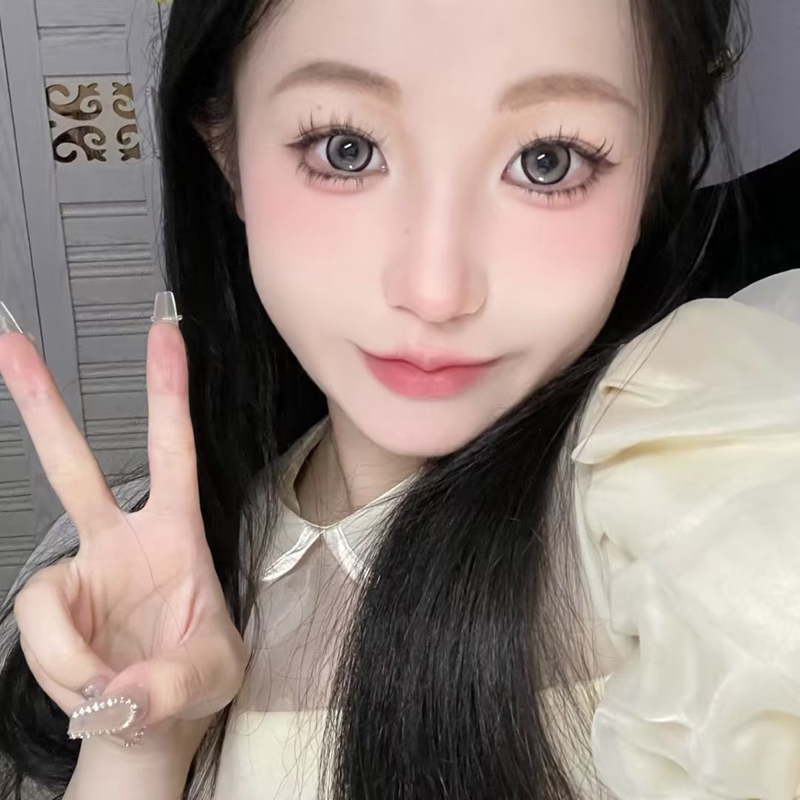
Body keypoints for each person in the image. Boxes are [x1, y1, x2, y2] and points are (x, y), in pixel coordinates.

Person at [1, 0, 798, 797]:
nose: (435, 290)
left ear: (653, 172)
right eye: (345, 149)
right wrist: (143, 742)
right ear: (226, 150)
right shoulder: (159, 555)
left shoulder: (683, 467)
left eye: (548, 161)